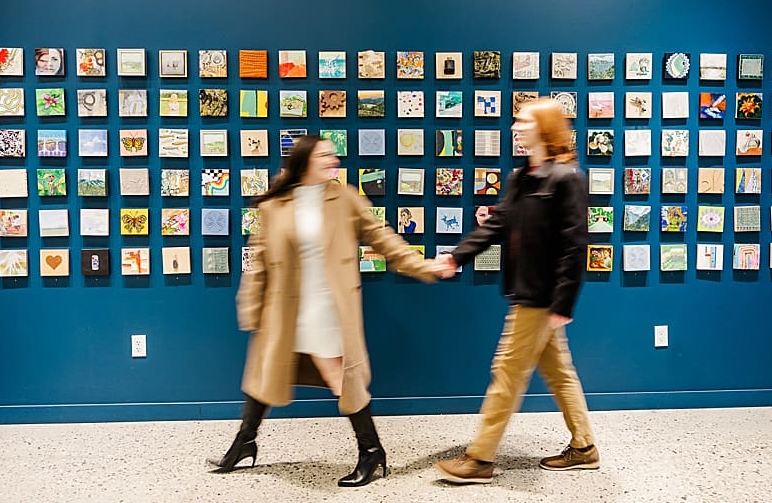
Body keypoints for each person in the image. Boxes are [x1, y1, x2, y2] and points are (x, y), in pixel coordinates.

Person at [208, 135, 439, 487]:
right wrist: (251, 307)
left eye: (334, 155)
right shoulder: (275, 205)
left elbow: (383, 238)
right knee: (263, 376)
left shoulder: (344, 197)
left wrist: (423, 267)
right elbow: (260, 262)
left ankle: (371, 450)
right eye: (325, 156)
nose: (335, 161)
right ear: (304, 163)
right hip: (286, 309)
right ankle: (245, 443)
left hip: (329, 308)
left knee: (339, 379)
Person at [433, 97, 599, 484]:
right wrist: (457, 257)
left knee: (506, 371)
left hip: (542, 298)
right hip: (526, 290)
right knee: (559, 373)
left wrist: (563, 301)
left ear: (543, 127)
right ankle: (584, 448)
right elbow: (498, 224)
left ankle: (480, 459)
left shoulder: (566, 178)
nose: (515, 127)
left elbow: (575, 244)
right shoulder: (522, 177)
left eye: (523, 121)